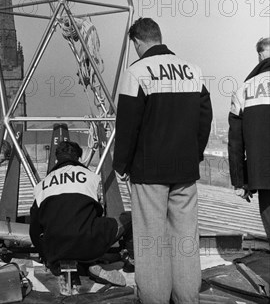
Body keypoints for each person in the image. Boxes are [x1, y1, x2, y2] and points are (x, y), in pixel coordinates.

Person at [113, 18, 213, 304]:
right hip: (184, 170)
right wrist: (194, 154)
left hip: (149, 172)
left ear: (137, 42)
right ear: (159, 36)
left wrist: (122, 164)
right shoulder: (193, 71)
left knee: (151, 241)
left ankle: (155, 299)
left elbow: (128, 123)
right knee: (185, 240)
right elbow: (204, 117)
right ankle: (186, 298)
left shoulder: (137, 72)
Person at [30, 140, 131, 296]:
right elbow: (97, 213)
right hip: (87, 243)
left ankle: (72, 262)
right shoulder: (91, 177)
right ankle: (127, 260)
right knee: (129, 218)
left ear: (57, 160)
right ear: (78, 158)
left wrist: (47, 257)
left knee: (68, 235)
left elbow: (34, 229)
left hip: (55, 248)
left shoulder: (41, 185)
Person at [228, 37, 270, 240]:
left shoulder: (243, 89)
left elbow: (236, 142)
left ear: (260, 55)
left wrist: (240, 181)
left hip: (263, 177)